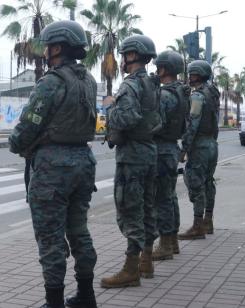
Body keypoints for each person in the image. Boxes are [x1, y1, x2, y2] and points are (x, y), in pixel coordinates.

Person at [8, 20, 98, 308]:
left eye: (48, 46)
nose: (45, 52)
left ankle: (54, 302)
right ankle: (86, 296)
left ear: (57, 47)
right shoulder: (89, 81)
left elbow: (26, 130)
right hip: (83, 162)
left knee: (50, 238)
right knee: (79, 231)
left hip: (53, 169)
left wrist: (16, 145)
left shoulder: (50, 82)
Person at [100, 34, 161, 288]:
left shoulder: (130, 85)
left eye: (125, 55)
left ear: (133, 56)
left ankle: (130, 268)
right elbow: (159, 120)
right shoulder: (152, 84)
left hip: (132, 156)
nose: (123, 60)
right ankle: (146, 260)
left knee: (130, 210)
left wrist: (109, 107)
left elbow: (125, 118)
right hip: (149, 152)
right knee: (147, 207)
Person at [150, 50, 189, 260]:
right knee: (169, 197)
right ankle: (172, 240)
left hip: (160, 150)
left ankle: (164, 244)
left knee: (161, 199)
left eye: (158, 67)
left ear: (163, 69)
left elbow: (155, 124)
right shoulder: (181, 93)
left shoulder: (165, 95)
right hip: (171, 148)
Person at [178, 60, 220, 240]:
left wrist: (184, 149)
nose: (189, 77)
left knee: (195, 183)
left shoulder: (198, 96)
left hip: (200, 145)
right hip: (212, 144)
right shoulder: (213, 93)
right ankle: (208, 221)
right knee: (209, 182)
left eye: (191, 74)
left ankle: (197, 226)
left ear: (198, 75)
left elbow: (192, 124)